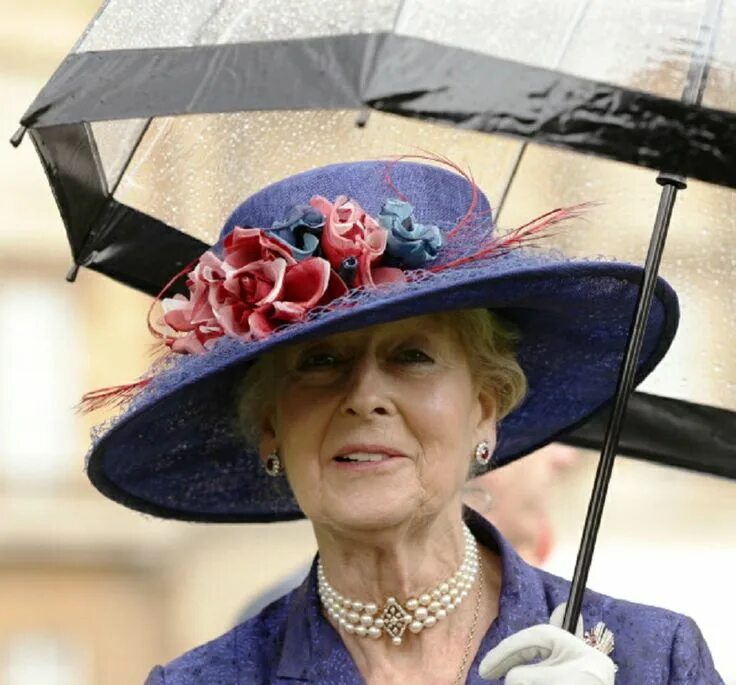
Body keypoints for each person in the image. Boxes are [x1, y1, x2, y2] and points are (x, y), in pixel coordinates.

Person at [84, 159, 721, 683]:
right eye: (320, 361)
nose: (365, 396)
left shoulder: (653, 660)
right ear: (271, 427)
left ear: (485, 409)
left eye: (412, 356)